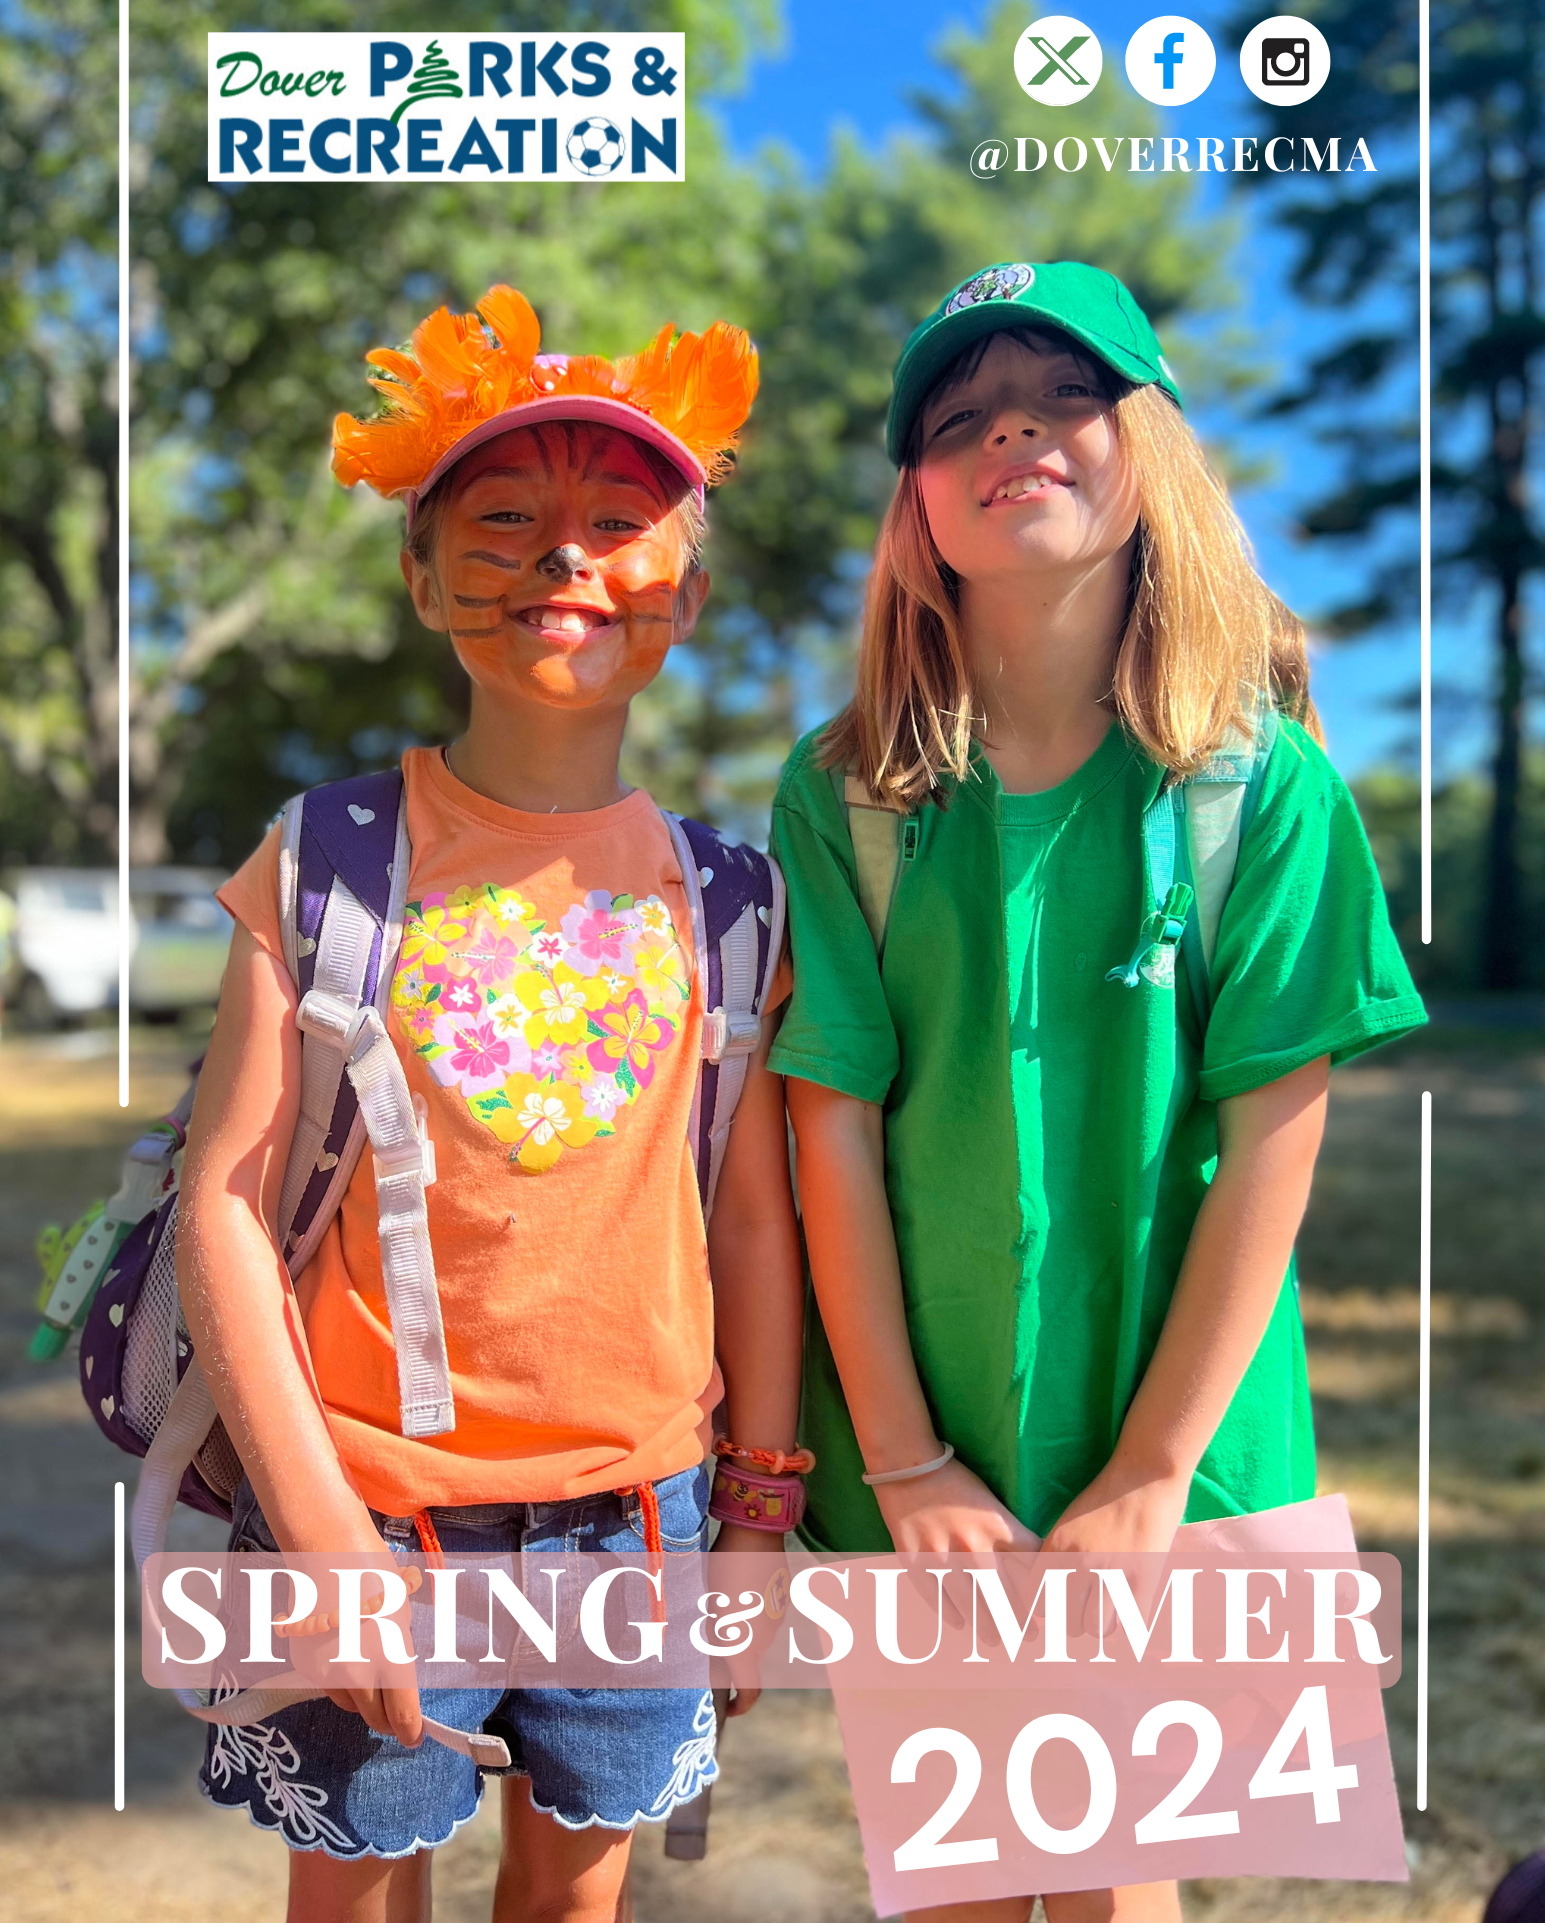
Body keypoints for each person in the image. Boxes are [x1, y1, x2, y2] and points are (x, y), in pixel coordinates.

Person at [767, 260, 1428, 1923]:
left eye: (1069, 395)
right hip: (930, 1449)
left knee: (1121, 1883)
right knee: (968, 1884)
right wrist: (909, 1466)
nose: (1018, 433)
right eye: (962, 416)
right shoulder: (845, 792)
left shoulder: (1256, 786)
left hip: (1184, 1443)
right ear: (918, 504)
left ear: (1155, 456)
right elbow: (827, 1126)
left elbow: (1277, 1138)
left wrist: (1148, 1464)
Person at [175, 286, 807, 1923]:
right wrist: (320, 1534)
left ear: (690, 593)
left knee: (575, 1897)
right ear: (416, 573)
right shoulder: (323, 861)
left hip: (645, 1517)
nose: (565, 560)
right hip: (372, 1505)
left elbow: (750, 1212)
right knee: (361, 1891)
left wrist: (754, 1510)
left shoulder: (734, 899)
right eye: (507, 520)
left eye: (619, 523)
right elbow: (225, 1206)